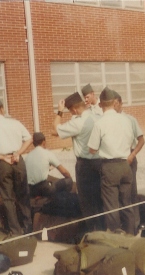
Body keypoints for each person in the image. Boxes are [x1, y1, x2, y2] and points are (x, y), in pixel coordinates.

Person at [53, 91, 105, 232]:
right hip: (101, 162)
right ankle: (103, 228)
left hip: (85, 164)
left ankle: (93, 231)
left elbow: (56, 128)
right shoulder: (98, 117)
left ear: (74, 109)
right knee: (100, 196)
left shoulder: (77, 123)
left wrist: (59, 112)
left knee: (87, 200)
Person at [88, 87, 136, 235]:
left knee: (111, 204)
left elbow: (92, 149)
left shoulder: (100, 123)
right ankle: (131, 233)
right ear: (114, 103)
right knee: (126, 202)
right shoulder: (126, 120)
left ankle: (116, 234)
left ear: (101, 105)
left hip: (110, 166)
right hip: (125, 164)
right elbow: (132, 142)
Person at [0, 98, 33, 235]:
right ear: (2, 109)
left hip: (3, 163)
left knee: (8, 198)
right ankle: (28, 228)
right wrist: (18, 153)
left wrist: (3, 157)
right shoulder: (14, 123)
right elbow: (29, 139)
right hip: (17, 160)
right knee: (23, 194)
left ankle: (15, 231)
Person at [114, 91, 145, 230]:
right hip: (114, 159)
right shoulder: (107, 120)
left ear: (120, 103)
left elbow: (141, 140)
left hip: (128, 158)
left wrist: (132, 155)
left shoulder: (130, 119)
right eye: (111, 104)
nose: (114, 106)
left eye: (116, 103)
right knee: (117, 194)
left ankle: (135, 224)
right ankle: (121, 224)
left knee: (131, 193)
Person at [25, 132, 72, 199]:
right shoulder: (47, 153)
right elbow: (64, 172)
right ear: (44, 142)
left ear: (33, 143)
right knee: (68, 181)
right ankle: (58, 203)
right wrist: (69, 177)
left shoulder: (27, 156)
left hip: (31, 190)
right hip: (44, 188)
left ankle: (40, 197)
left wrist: (48, 169)